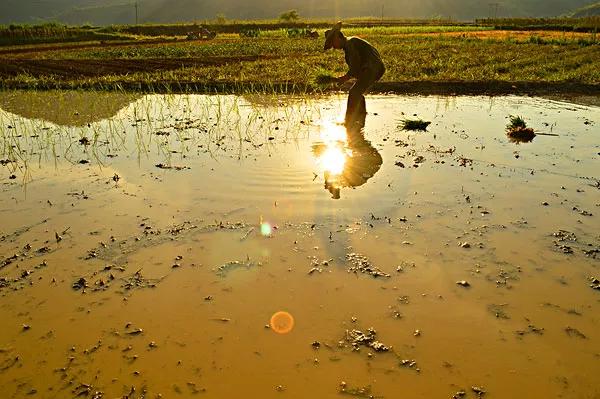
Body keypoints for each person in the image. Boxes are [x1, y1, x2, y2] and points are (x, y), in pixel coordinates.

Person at [323, 22, 385, 124]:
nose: (334, 47)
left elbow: (355, 67)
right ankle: (361, 117)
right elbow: (355, 68)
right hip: (372, 69)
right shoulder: (351, 43)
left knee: (354, 93)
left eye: (333, 43)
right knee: (357, 92)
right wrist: (346, 77)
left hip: (372, 69)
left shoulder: (351, 44)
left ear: (338, 38)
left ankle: (349, 120)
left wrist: (344, 78)